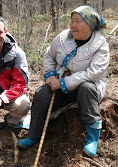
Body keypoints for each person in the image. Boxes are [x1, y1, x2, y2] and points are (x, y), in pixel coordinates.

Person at [17, 6, 110, 158]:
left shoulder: (100, 45)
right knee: (41, 94)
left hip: (88, 87)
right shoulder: (62, 38)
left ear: (90, 24)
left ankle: (92, 138)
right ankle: (34, 136)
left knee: (86, 88)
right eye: (72, 21)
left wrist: (64, 83)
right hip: (59, 83)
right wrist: (51, 75)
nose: (73, 25)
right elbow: (49, 55)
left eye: (78, 21)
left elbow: (94, 73)